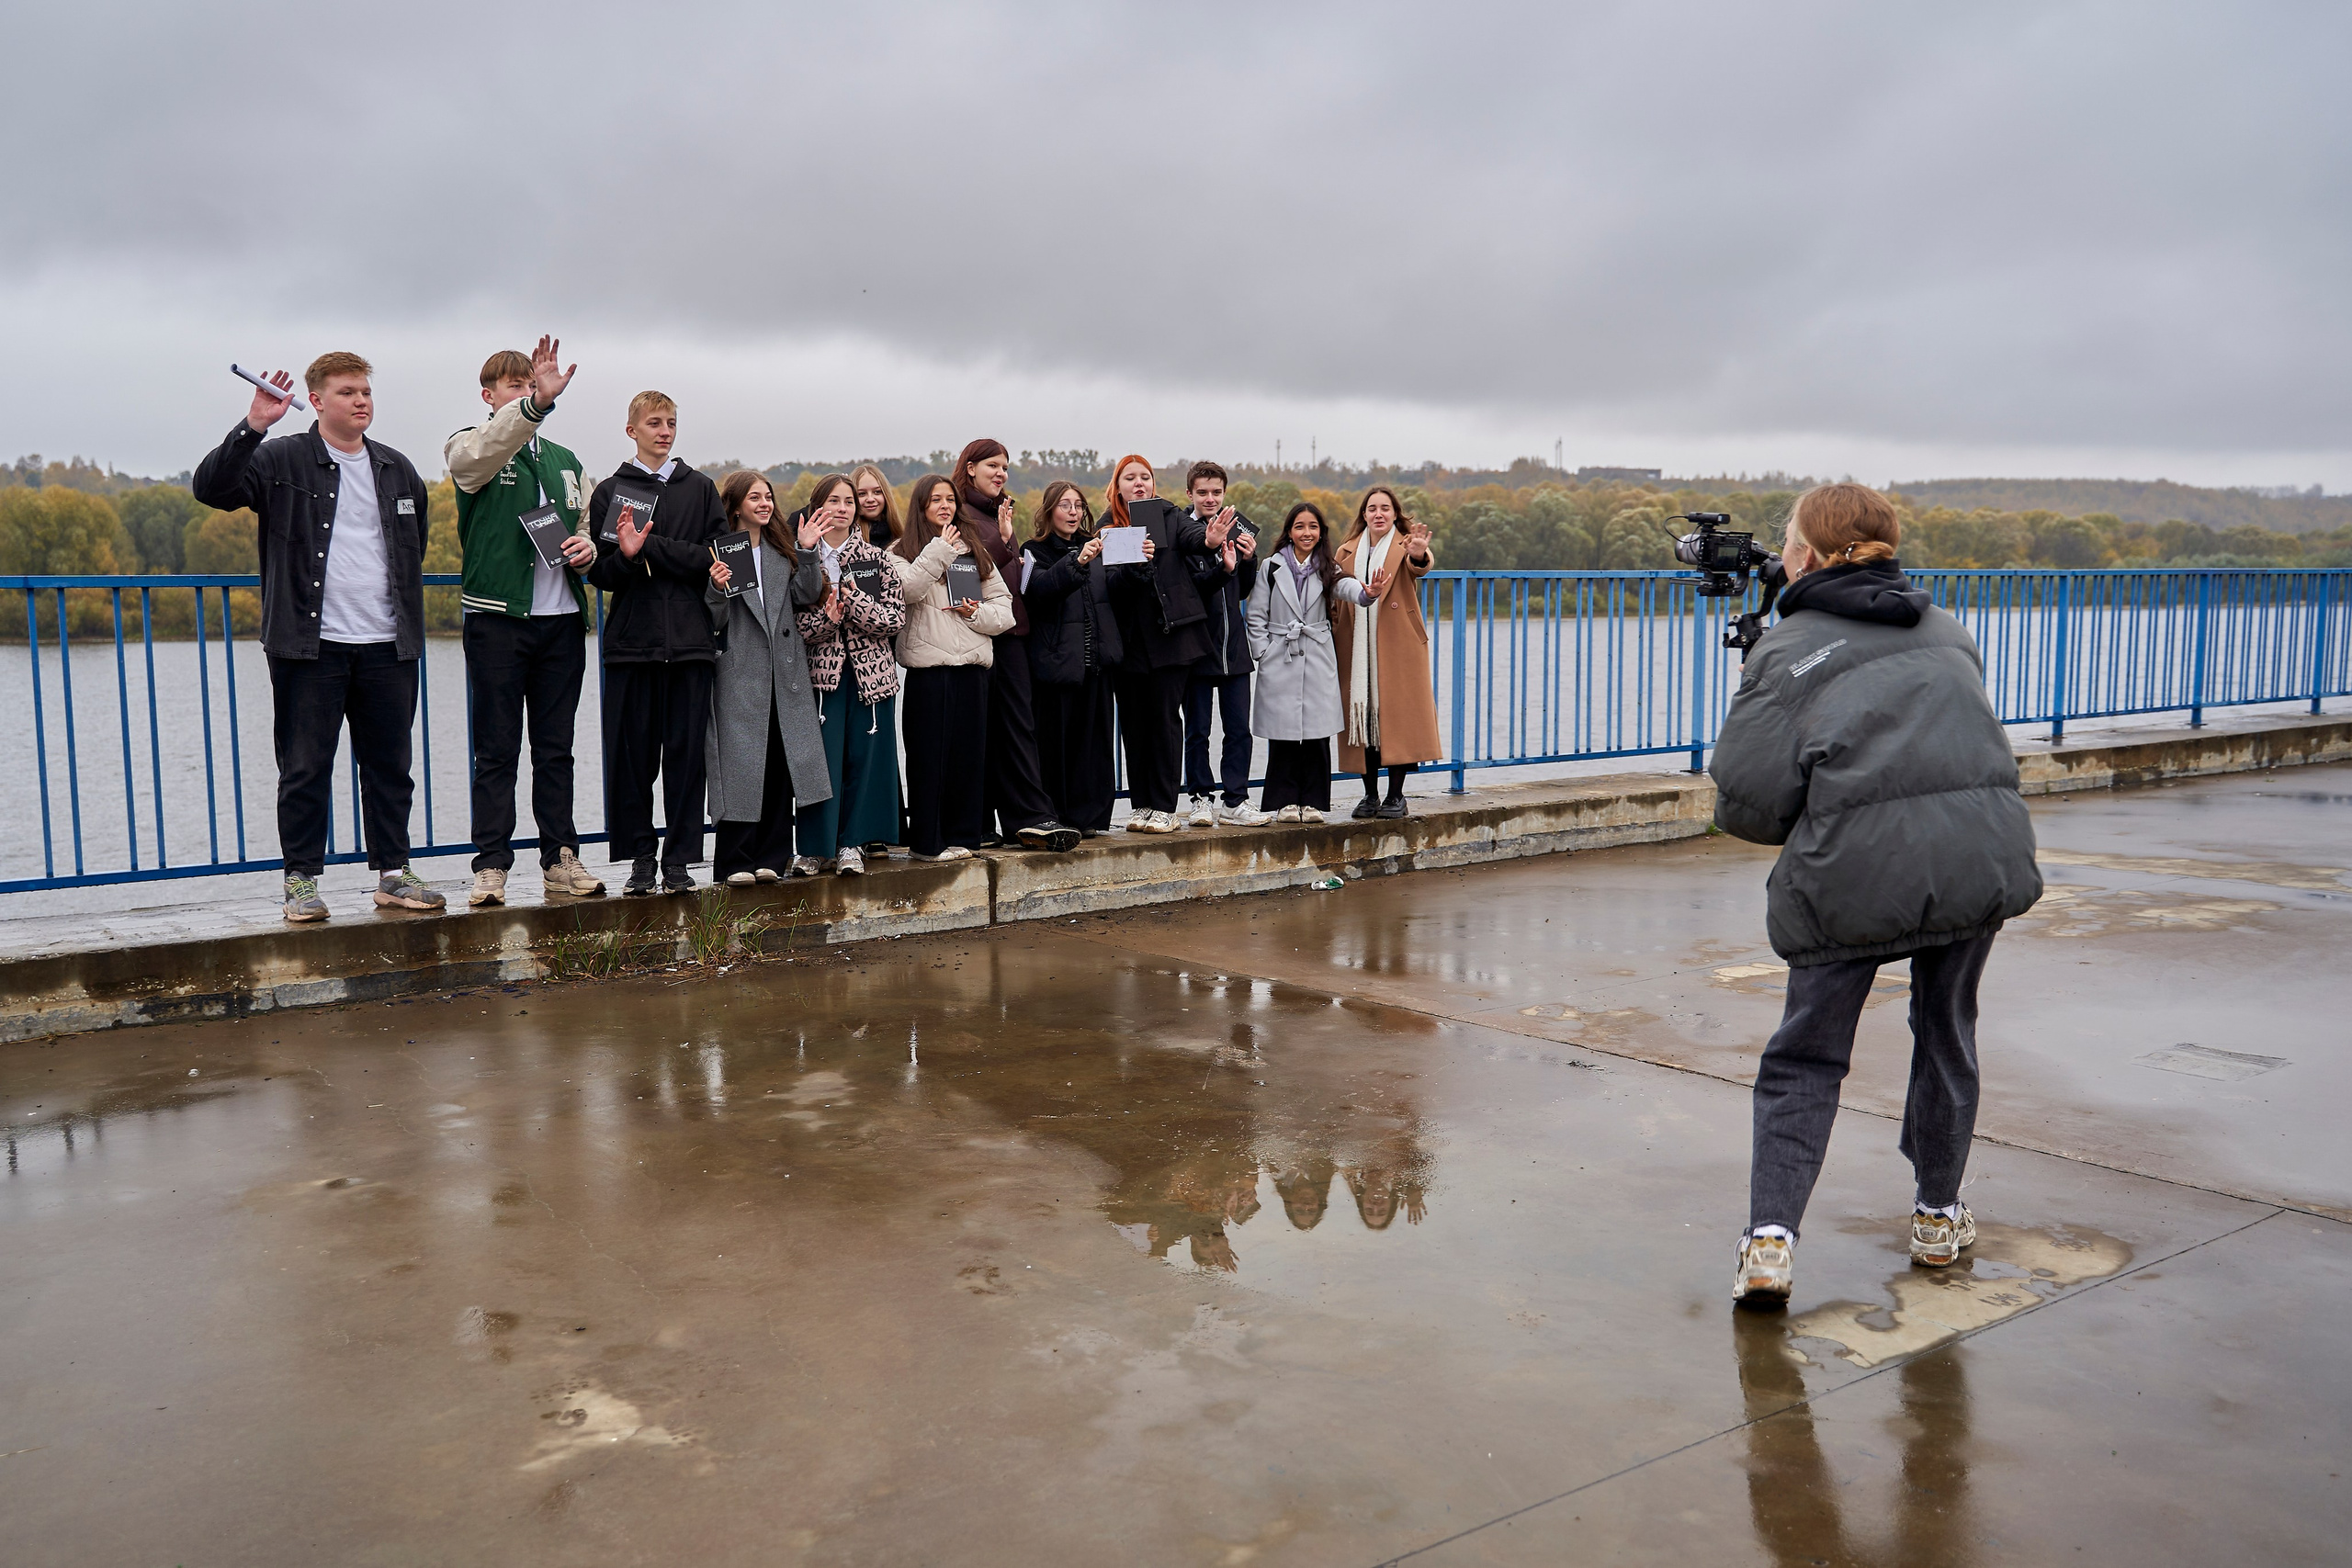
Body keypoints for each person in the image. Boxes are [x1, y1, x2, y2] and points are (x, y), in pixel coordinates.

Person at [1711, 482, 2042, 1309]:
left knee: (1806, 1055)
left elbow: (1749, 807)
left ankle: (1769, 1244)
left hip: (1854, 874)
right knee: (1946, 1032)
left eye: (1788, 539)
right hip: (1977, 859)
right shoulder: (1948, 629)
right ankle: (1937, 1217)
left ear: (1807, 555)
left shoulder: (1786, 651)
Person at [192, 352, 445, 922]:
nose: (361, 401)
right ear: (317, 400)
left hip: (388, 643)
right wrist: (254, 425)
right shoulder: (280, 458)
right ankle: (301, 881)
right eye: (347, 392)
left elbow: (414, 545)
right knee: (305, 767)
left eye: (366, 392)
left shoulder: (397, 469)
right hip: (310, 644)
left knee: (391, 768)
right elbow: (212, 489)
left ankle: (394, 874)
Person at [443, 337, 605, 907]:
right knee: (497, 750)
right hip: (498, 620)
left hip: (561, 621)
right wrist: (534, 405)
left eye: (531, 385)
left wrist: (587, 546)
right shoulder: (471, 446)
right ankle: (491, 865)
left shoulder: (566, 459)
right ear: (488, 396)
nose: (528, 393)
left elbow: (585, 522)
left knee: (556, 750)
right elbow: (485, 450)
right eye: (515, 386)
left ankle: (560, 858)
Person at [584, 390, 726, 896]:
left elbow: (717, 556)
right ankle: (641, 859)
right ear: (632, 431)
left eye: (670, 423)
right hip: (632, 646)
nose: (664, 431)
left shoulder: (701, 488)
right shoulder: (611, 492)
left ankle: (679, 861)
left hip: (690, 645)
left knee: (686, 762)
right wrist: (626, 558)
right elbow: (601, 573)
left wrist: (651, 548)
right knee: (633, 761)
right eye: (654, 423)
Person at [705, 471, 832, 885]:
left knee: (780, 761)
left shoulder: (781, 551)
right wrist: (716, 588)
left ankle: (773, 858)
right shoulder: (722, 552)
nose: (764, 504)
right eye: (754, 497)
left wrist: (807, 551)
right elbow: (713, 621)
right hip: (740, 674)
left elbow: (806, 595)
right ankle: (734, 860)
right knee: (742, 764)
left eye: (768, 496)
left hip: (786, 672)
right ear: (736, 505)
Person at [956, 438, 1080, 852]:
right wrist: (1004, 541)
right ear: (970, 468)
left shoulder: (997, 514)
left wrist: (1008, 540)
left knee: (1016, 730)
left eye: (1005, 467)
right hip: (979, 636)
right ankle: (985, 823)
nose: (1001, 473)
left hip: (1012, 636)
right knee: (982, 733)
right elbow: (964, 574)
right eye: (992, 465)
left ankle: (1027, 818)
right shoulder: (959, 514)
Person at [889, 474, 1014, 860]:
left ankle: (963, 837)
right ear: (921, 507)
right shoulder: (899, 551)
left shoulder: (975, 549)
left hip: (973, 669)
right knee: (929, 759)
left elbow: (1004, 608)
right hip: (930, 670)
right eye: (935, 500)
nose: (945, 506)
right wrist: (939, 550)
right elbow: (905, 591)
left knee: (967, 759)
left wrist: (975, 613)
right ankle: (927, 843)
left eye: (950, 500)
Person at [1101, 455, 1225, 833]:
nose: (1139, 483)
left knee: (1164, 721)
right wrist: (1135, 565)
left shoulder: (1169, 514)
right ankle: (1141, 805)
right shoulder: (1108, 527)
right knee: (1134, 725)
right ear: (1117, 487)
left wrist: (1210, 540)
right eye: (1130, 478)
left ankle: (1165, 807)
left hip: (1172, 639)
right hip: (1129, 643)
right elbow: (1111, 584)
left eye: (1145, 477)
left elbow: (1194, 540)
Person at [795, 474, 908, 875]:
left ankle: (851, 845)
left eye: (848, 501)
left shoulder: (877, 558)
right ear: (817, 508)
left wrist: (855, 600)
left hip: (871, 677)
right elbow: (794, 627)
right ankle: (814, 848)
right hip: (820, 678)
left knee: (866, 760)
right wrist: (826, 621)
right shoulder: (801, 558)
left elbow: (894, 619)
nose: (842, 508)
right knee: (820, 764)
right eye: (833, 501)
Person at [1246, 502, 1369, 821]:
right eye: (1300, 526)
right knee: (1282, 733)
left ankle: (1313, 802)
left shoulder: (1328, 566)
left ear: (1321, 532)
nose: (1307, 532)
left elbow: (1347, 587)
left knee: (1317, 733)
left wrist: (1367, 593)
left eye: (1313, 526)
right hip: (1281, 654)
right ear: (1289, 531)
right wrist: (1263, 652)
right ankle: (1285, 801)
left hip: (1316, 654)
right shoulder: (1271, 567)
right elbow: (1256, 614)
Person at [1331, 486, 1438, 819]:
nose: (1379, 514)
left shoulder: (1406, 544)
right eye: (1372, 508)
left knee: (1397, 719)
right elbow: (1334, 593)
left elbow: (1419, 565)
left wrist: (1420, 553)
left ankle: (1396, 795)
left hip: (1399, 644)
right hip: (1355, 645)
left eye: (1385, 508)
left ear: (1395, 514)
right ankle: (1370, 795)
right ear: (1363, 515)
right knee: (1363, 714)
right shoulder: (1347, 550)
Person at [1022, 480, 1121, 835]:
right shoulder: (1033, 550)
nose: (1073, 512)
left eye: (1078, 505)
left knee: (1094, 746)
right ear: (1049, 511)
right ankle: (1056, 817)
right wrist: (1076, 562)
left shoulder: (1096, 546)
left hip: (1096, 664)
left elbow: (1115, 592)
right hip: (1057, 664)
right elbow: (1038, 591)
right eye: (1065, 505)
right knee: (1055, 746)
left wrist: (1139, 565)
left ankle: (1090, 819)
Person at [1177, 461, 1272, 828]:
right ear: (1190, 494)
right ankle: (1200, 798)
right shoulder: (1184, 532)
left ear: (1224, 493)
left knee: (1238, 731)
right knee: (1197, 731)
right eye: (1202, 492)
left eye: (1216, 492)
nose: (1210, 498)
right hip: (1198, 647)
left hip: (1235, 648)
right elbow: (1193, 588)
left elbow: (1242, 591)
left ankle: (1236, 800)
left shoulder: (1235, 527)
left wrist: (1248, 560)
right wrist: (1224, 569)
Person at [851, 463, 901, 547]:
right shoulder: (847, 540)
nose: (870, 499)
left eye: (877, 492)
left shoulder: (902, 537)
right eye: (862, 494)